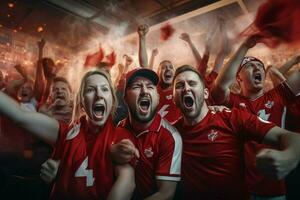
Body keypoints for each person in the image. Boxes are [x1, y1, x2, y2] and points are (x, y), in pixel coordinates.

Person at [0, 69, 135, 200]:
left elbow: (127, 182)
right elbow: (20, 116)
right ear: (81, 101)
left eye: (105, 89)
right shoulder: (66, 132)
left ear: (112, 100)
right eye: (90, 90)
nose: (99, 95)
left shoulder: (120, 135)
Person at [172, 65, 300, 200]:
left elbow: (291, 137)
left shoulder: (231, 118)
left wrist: (289, 157)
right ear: (174, 98)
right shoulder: (171, 133)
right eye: (179, 85)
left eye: (192, 83)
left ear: (205, 93)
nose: (186, 88)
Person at [211, 35, 300, 200]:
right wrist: (245, 45)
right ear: (239, 78)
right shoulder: (233, 102)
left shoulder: (278, 95)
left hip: (274, 189)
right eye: (251, 66)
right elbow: (220, 85)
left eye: (259, 66)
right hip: (240, 189)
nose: (257, 68)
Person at [113, 67, 182, 199]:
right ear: (125, 98)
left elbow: (166, 194)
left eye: (150, 87)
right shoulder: (120, 126)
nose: (144, 91)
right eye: (137, 86)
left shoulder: (170, 136)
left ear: (157, 97)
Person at [138, 24, 181, 124]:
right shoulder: (154, 89)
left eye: (170, 67)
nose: (167, 69)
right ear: (157, 74)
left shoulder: (180, 90)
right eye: (164, 68)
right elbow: (144, 66)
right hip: (156, 135)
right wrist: (142, 38)